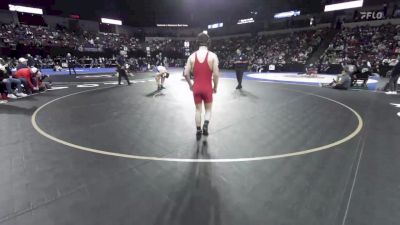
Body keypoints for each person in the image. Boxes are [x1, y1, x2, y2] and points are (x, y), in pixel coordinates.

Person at [184, 32, 220, 137]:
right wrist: (215, 87)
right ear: (208, 42)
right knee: (208, 110)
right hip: (208, 88)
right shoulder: (213, 56)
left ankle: (198, 130)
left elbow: (186, 74)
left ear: (197, 43)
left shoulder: (191, 56)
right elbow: (216, 75)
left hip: (197, 87)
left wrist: (191, 85)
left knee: (198, 110)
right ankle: (206, 124)